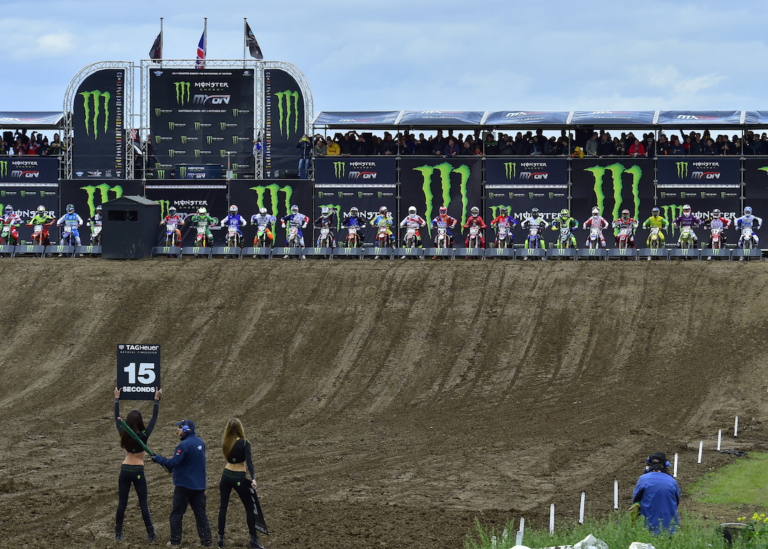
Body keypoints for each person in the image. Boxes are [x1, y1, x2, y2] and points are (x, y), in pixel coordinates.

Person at [152, 420, 212, 547]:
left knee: (177, 513)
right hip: (199, 486)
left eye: (180, 427)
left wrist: (158, 459)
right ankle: (207, 541)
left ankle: (175, 541)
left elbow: (173, 463)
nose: (177, 430)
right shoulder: (200, 443)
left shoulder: (183, 445)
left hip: (184, 486)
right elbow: (189, 462)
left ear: (186, 429)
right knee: (201, 514)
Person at [113, 387, 162, 542]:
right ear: (140, 422)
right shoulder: (144, 435)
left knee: (122, 503)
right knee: (143, 504)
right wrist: (156, 400)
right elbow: (154, 418)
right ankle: (150, 534)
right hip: (138, 470)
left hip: (124, 469)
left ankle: (118, 533)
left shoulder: (123, 432)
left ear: (127, 422)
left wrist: (116, 398)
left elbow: (116, 417)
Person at [217, 419, 264, 549]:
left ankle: (220, 539)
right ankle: (253, 540)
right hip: (239, 478)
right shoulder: (245, 443)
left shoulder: (225, 443)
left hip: (226, 476)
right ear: (240, 428)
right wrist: (253, 478)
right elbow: (249, 462)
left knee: (223, 507)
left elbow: (229, 458)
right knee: (249, 508)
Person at [632, 452, 680, 534]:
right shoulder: (672, 481)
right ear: (666, 464)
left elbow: (635, 500)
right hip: (669, 529)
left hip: (647, 528)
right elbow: (677, 501)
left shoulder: (643, 480)